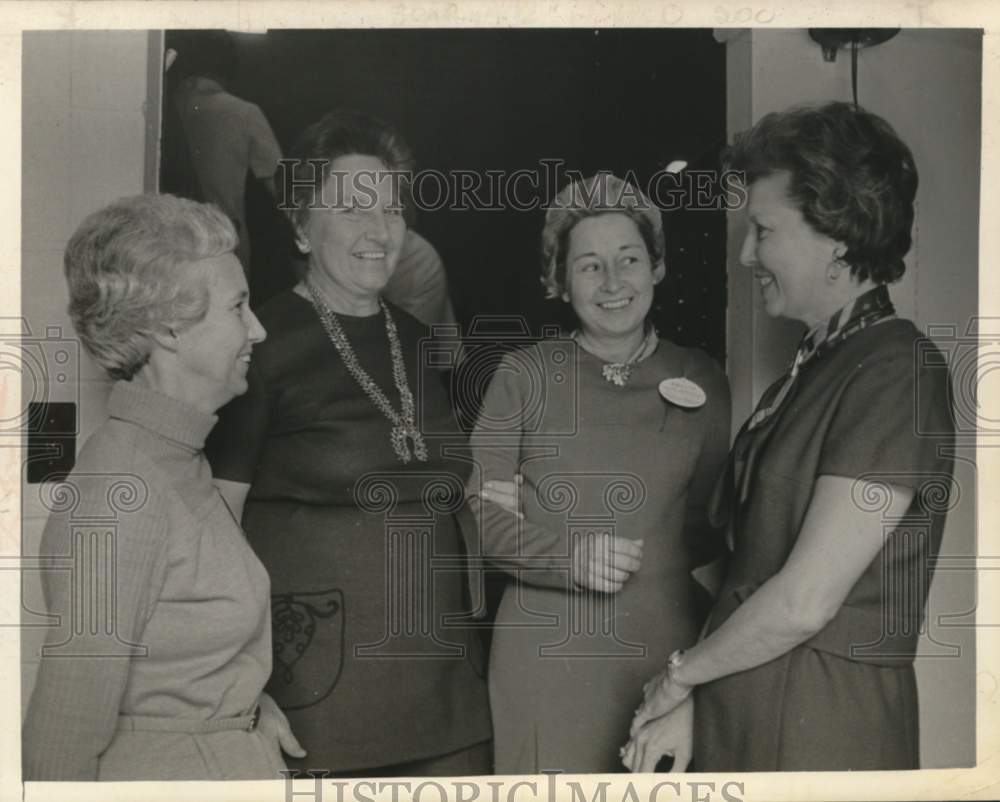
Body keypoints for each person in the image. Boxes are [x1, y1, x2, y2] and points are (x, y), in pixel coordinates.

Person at [624, 101, 955, 772]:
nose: (747, 254)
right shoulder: (815, 366)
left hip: (826, 722)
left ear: (834, 235)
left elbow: (805, 600)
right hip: (747, 705)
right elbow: (745, 575)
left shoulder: (897, 371)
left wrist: (680, 679)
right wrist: (694, 694)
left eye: (763, 230)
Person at [205, 109, 492, 776]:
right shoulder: (260, 344)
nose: (379, 230)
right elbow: (213, 529)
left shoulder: (422, 343)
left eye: (390, 209)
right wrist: (244, 691)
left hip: (449, 696)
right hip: (316, 702)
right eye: (352, 208)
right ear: (302, 225)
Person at [23, 194, 303, 780]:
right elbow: (63, 734)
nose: (257, 328)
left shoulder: (178, 460)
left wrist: (241, 712)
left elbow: (173, 664)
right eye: (238, 306)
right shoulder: (122, 491)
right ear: (171, 327)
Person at [466, 173, 731, 773]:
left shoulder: (703, 377)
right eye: (588, 266)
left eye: (629, 259)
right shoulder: (523, 374)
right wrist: (567, 557)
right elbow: (475, 517)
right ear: (559, 281)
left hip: (665, 658)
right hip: (544, 662)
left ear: (656, 268)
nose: (613, 283)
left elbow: (711, 532)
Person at [168, 31, 283, 273]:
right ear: (230, 67)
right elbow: (283, 188)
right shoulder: (245, 112)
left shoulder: (162, 104)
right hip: (224, 241)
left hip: (165, 238)